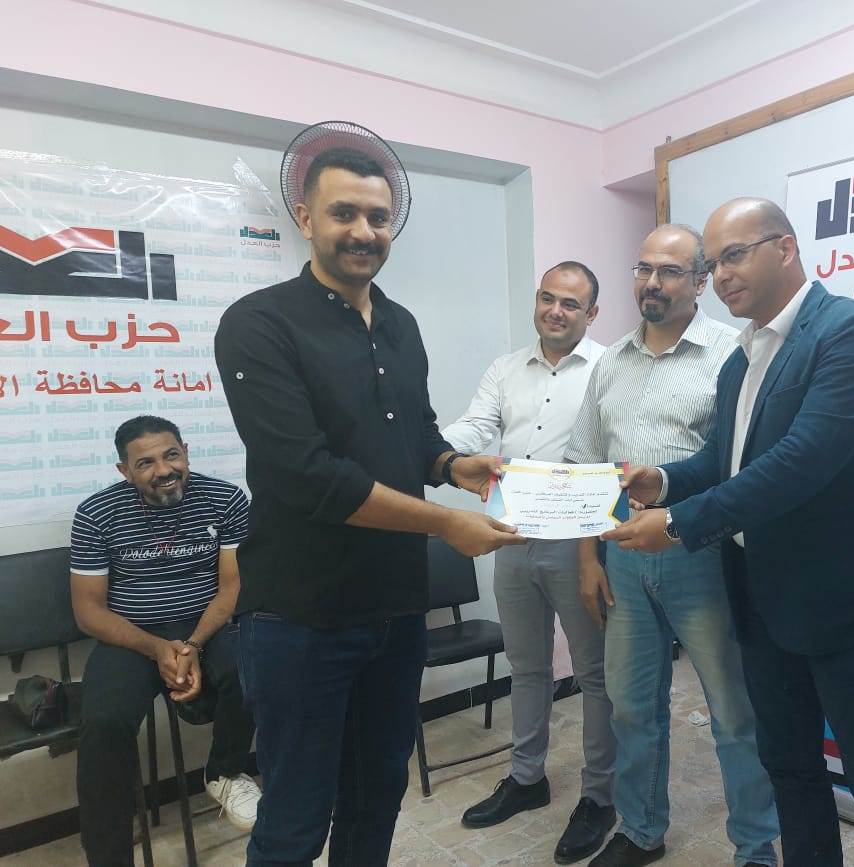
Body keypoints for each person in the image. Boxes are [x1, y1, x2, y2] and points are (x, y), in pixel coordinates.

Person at [214, 130, 526, 866]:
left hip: (395, 609)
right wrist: (446, 523)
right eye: (344, 213)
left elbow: (416, 435)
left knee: (376, 797)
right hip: (301, 618)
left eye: (378, 217)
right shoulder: (257, 324)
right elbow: (311, 476)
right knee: (296, 818)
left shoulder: (400, 322)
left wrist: (456, 465)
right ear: (305, 217)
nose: (363, 231)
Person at [604, 199, 854, 866]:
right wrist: (661, 482)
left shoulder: (852, 332)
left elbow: (802, 461)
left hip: (850, 604)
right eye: (714, 263)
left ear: (785, 248)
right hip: (763, 602)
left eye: (735, 255)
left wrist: (679, 522)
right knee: (790, 769)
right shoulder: (741, 359)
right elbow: (723, 460)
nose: (722, 275)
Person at [565, 223, 780, 866]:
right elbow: (587, 466)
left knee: (733, 713)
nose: (652, 283)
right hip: (623, 560)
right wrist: (587, 557)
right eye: (643, 269)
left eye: (669, 271)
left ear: (700, 281)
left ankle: (755, 847)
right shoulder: (610, 362)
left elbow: (739, 463)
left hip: (702, 555)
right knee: (632, 707)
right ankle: (640, 830)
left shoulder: (731, 354)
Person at [443, 262, 618, 863]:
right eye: (548, 298)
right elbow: (477, 426)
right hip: (512, 534)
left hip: (579, 543)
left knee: (595, 674)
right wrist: (437, 452)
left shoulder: (609, 368)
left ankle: (599, 796)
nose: (555, 311)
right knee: (526, 667)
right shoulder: (505, 368)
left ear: (591, 313)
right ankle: (526, 778)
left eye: (571, 303)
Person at [69, 416, 260, 866]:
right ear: (124, 470)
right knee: (104, 723)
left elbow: (233, 587)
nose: (164, 470)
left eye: (172, 455)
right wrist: (158, 649)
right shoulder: (96, 513)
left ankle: (224, 772)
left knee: (256, 666)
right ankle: (108, 856)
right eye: (146, 463)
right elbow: (89, 611)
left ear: (186, 452)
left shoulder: (226, 499)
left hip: (208, 623)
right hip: (131, 633)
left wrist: (191, 645)